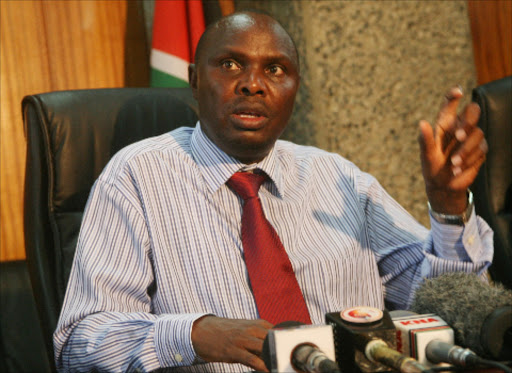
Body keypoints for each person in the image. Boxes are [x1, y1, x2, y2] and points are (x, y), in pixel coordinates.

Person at [54, 10, 492, 373]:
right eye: (230, 64)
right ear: (192, 79)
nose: (252, 83)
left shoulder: (339, 178)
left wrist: (448, 206)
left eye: (275, 69)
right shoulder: (136, 177)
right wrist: (194, 335)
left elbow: (447, 306)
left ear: (294, 89)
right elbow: (79, 343)